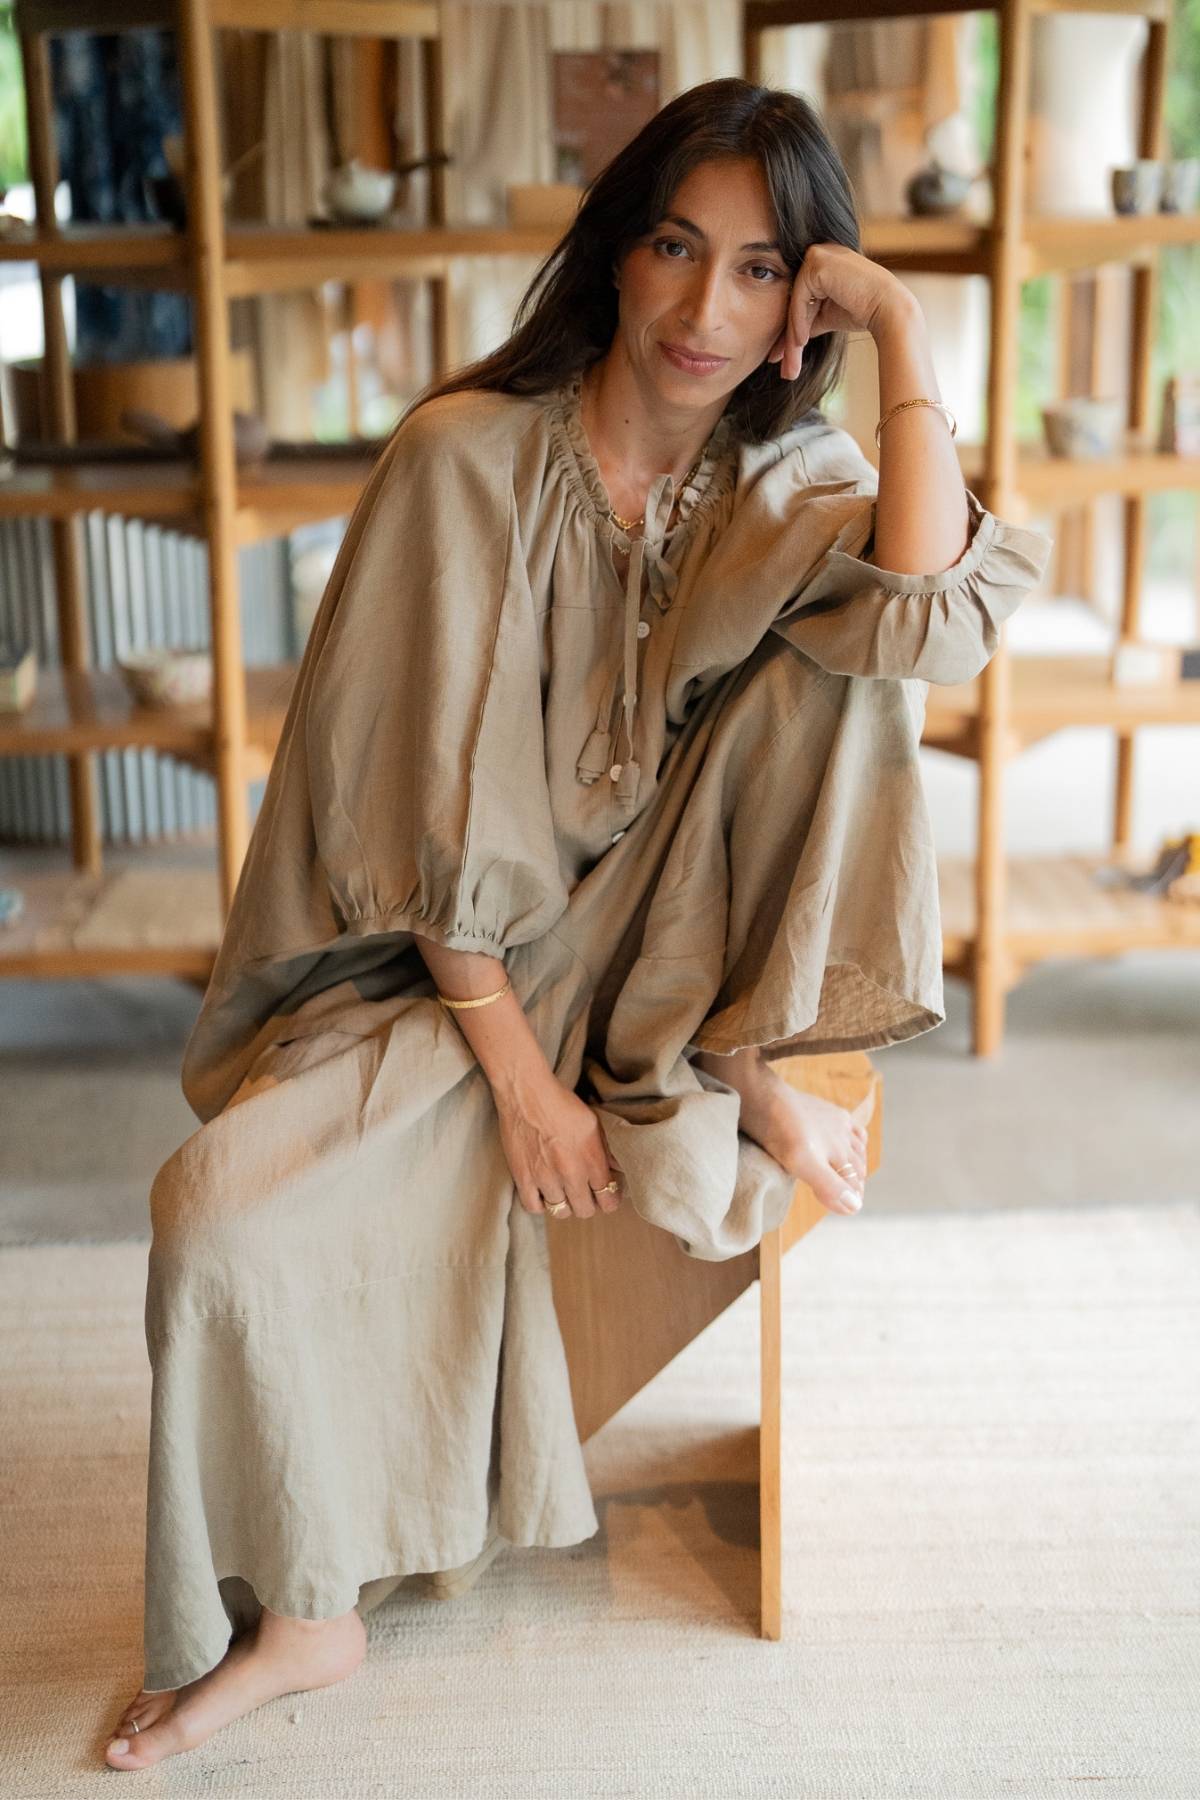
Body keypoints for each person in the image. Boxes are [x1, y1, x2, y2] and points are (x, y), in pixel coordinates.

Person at [104, 75, 1052, 1770]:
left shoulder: (791, 476)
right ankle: (308, 1617)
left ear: (799, 307)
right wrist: (522, 1084)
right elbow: (414, 817)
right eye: (678, 248)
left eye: (765, 271)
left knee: (861, 667)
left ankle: (746, 1052)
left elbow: (932, 618)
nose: (706, 307)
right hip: (462, 970)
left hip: (686, 959)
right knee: (215, 1220)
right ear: (616, 254)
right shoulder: (462, 462)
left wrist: (903, 324)